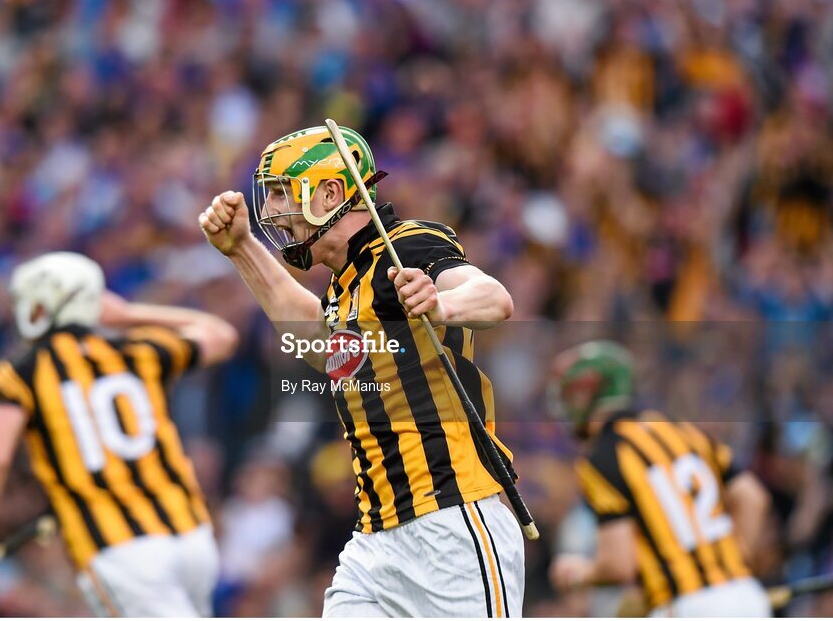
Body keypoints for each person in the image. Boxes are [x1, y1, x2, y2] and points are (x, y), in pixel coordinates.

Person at [199, 125, 523, 617]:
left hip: (453, 525)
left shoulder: (407, 246)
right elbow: (319, 344)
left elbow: (493, 297)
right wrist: (243, 247)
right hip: (375, 538)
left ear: (331, 192)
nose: (271, 213)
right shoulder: (343, 286)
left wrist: (443, 304)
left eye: (283, 193)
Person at [0, 251, 237, 616]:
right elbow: (221, 335)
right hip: (193, 539)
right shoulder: (137, 350)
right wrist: (129, 314)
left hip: (120, 551)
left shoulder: (23, 372)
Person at [547, 340, 773, 617]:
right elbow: (753, 497)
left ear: (592, 393)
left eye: (573, 394)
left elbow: (618, 564)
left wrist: (579, 574)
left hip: (685, 608)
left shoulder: (603, 457)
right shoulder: (682, 431)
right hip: (746, 595)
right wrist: (727, 564)